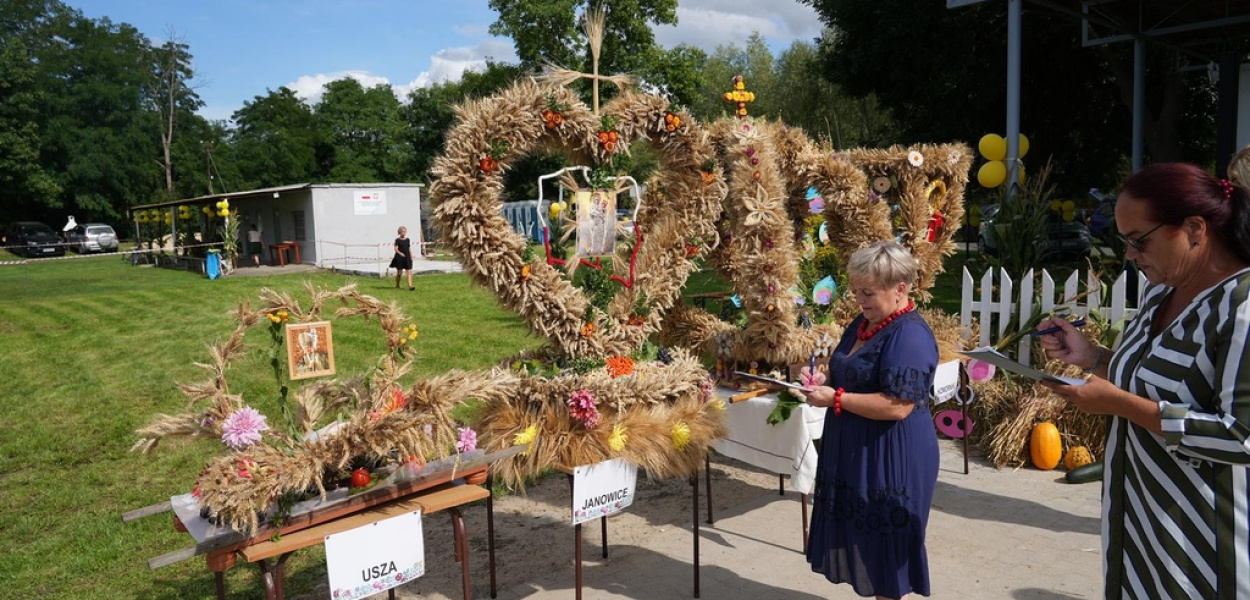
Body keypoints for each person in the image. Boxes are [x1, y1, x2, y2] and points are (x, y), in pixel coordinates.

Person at [1038, 163, 1250, 599]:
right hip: (1140, 532)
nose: (1131, 255)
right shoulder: (1160, 292)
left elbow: (1240, 438)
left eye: (1140, 240)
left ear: (1194, 229)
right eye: (1125, 242)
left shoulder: (1241, 308)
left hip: (1204, 548)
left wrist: (1120, 405)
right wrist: (1092, 357)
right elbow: (1149, 378)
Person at [800, 240, 940, 600]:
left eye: (868, 293)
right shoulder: (864, 323)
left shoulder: (909, 335)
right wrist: (823, 379)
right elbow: (847, 370)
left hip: (891, 457)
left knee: (885, 554)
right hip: (858, 451)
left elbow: (898, 406)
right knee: (866, 544)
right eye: (857, 291)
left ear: (900, 290)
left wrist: (837, 399)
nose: (860, 300)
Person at [391, 226, 414, 291]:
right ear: (400, 232)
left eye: (405, 231)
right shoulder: (397, 240)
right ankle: (397, 284)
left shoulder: (408, 239)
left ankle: (410, 286)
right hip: (399, 258)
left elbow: (409, 248)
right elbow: (395, 249)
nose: (404, 233)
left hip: (407, 257)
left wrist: (411, 256)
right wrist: (400, 253)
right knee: (399, 273)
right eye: (403, 231)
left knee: (409, 272)